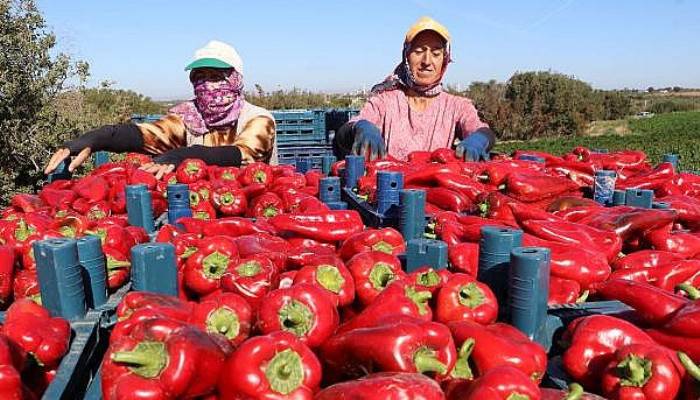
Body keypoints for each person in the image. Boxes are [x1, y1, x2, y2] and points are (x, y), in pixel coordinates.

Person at [44, 40, 276, 179]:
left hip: (254, 211)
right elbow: (150, 134)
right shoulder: (190, 117)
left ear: (235, 79)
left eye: (216, 77)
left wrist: (185, 154)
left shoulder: (257, 119)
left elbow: (244, 154)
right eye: (200, 78)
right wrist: (101, 137)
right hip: (201, 211)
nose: (207, 85)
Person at [333, 17, 495, 162]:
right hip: (388, 190)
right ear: (406, 56)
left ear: (444, 60)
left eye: (436, 53)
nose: (427, 61)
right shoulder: (385, 101)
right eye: (418, 51)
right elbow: (345, 132)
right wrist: (361, 128)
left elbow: (479, 128)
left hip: (437, 190)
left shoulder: (456, 106)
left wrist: (480, 138)